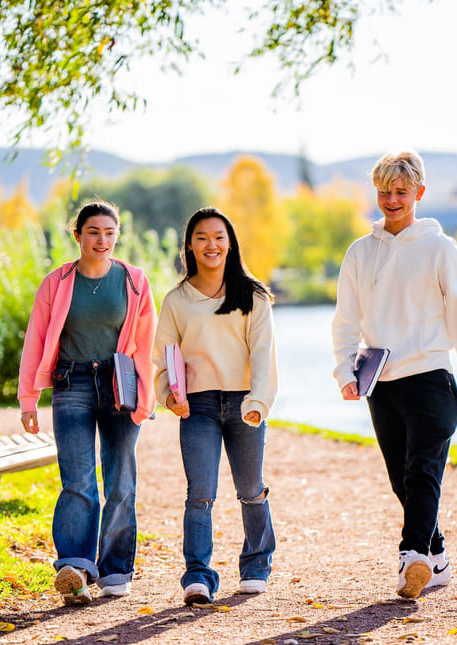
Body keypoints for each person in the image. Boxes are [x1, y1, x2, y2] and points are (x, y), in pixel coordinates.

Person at [331, 150, 457, 599]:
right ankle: (436, 560)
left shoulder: (441, 249)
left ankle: (411, 554)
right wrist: (344, 370)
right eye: (384, 191)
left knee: (422, 473)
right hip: (381, 383)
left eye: (400, 191)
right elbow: (345, 319)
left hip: (432, 377)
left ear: (419, 193)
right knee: (402, 478)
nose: (391, 199)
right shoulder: (361, 252)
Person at [18, 201, 157, 605]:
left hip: (119, 385)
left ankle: (115, 569)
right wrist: (29, 399)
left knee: (120, 480)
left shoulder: (134, 280)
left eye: (110, 232)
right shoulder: (56, 282)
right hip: (71, 382)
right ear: (77, 235)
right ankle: (75, 568)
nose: (102, 240)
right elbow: (35, 340)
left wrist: (145, 397)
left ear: (118, 235)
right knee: (77, 481)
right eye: (94, 232)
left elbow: (145, 344)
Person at [153, 207, 277, 606]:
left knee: (250, 489)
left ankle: (256, 565)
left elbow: (263, 353)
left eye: (219, 237)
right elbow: (162, 358)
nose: (212, 245)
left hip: (245, 402)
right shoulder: (176, 300)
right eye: (203, 237)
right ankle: (198, 575)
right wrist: (168, 395)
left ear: (230, 242)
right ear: (190, 244)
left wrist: (259, 400)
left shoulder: (253, 295)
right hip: (198, 406)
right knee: (200, 493)